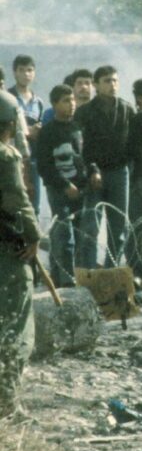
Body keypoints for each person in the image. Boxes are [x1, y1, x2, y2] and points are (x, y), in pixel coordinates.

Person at [0, 90, 40, 417]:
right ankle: (7, 399)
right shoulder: (6, 156)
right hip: (6, 250)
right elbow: (16, 199)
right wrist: (34, 235)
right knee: (15, 321)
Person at [75, 65, 135, 268]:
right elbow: (81, 147)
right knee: (91, 226)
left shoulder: (126, 109)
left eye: (115, 80)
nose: (112, 85)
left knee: (118, 227)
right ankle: (90, 272)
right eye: (107, 81)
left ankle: (112, 270)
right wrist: (92, 169)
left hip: (120, 172)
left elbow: (133, 145)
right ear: (96, 85)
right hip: (95, 174)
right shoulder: (84, 112)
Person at [35, 85, 94, 286]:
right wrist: (64, 184)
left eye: (73, 100)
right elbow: (44, 166)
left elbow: (88, 155)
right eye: (66, 101)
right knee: (64, 237)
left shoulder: (78, 128)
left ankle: (79, 280)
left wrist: (94, 171)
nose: (72, 104)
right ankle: (65, 283)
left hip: (82, 189)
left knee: (81, 236)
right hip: (59, 190)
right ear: (54, 104)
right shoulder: (48, 132)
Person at [8, 55, 44, 214]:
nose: (26, 74)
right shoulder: (8, 98)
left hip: (33, 158)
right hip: (11, 157)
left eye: (29, 70)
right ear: (14, 73)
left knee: (33, 203)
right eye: (21, 70)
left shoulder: (38, 102)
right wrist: (27, 130)